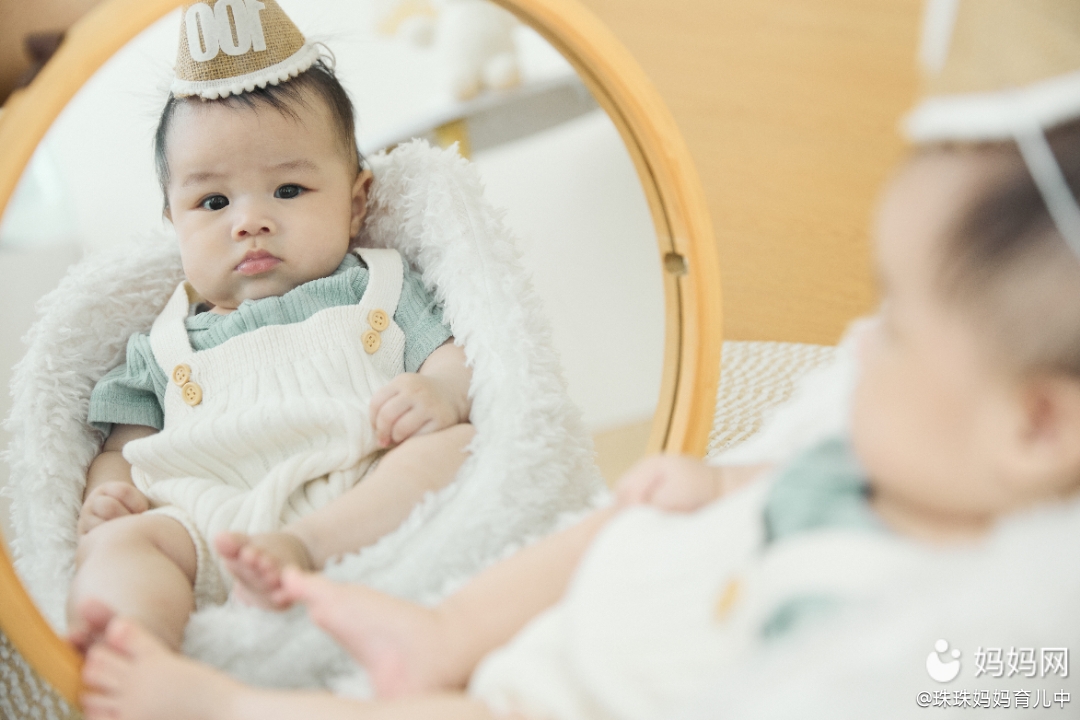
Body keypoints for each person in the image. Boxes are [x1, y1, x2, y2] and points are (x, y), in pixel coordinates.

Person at [76, 105, 1080, 719]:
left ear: (1035, 427)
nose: (856, 345)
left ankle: (228, 707)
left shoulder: (990, 637)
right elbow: (779, 474)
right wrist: (717, 480)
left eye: (896, 327)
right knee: (626, 515)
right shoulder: (871, 459)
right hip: (545, 630)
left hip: (575, 703)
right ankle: (441, 630)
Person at [67, 2, 475, 653]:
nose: (249, 222)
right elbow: (121, 449)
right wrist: (110, 496)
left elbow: (450, 356)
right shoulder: (161, 345)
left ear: (356, 203)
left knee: (455, 448)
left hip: (357, 493)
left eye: (287, 190)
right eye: (213, 202)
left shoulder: (379, 286)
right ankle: (138, 646)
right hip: (204, 525)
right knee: (122, 545)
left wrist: (442, 392)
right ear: (174, 222)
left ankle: (303, 548)